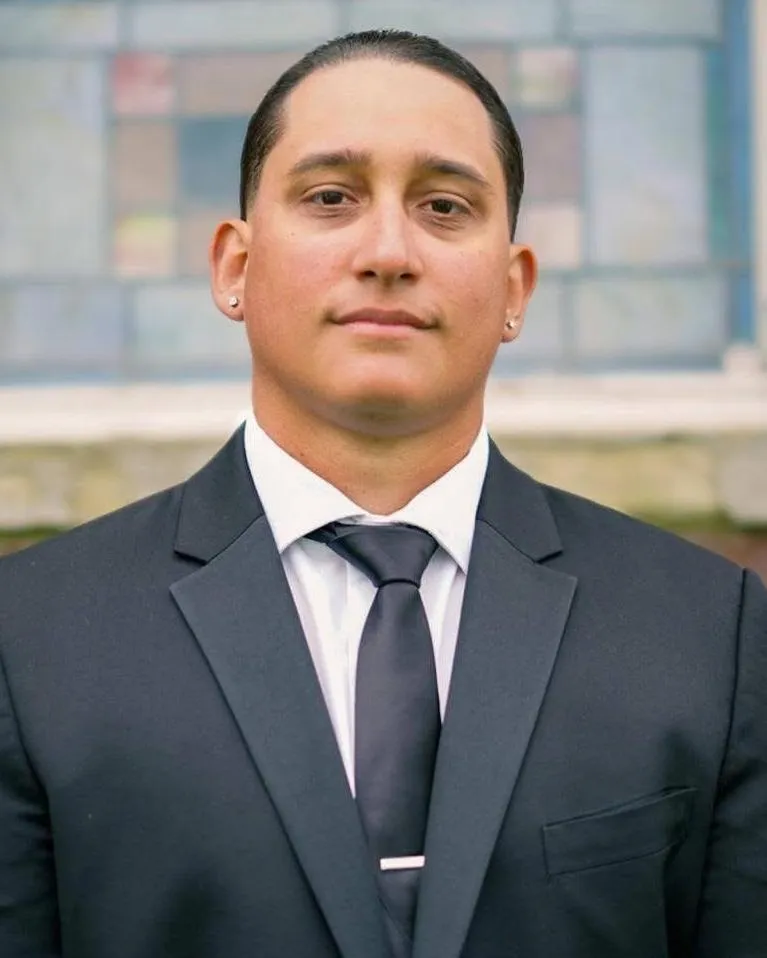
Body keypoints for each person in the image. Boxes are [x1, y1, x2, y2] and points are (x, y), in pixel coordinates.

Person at [0, 29, 765, 958]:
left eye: (444, 206)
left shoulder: (708, 631)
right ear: (234, 267)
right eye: (331, 197)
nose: (389, 251)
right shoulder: (29, 639)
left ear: (514, 287)